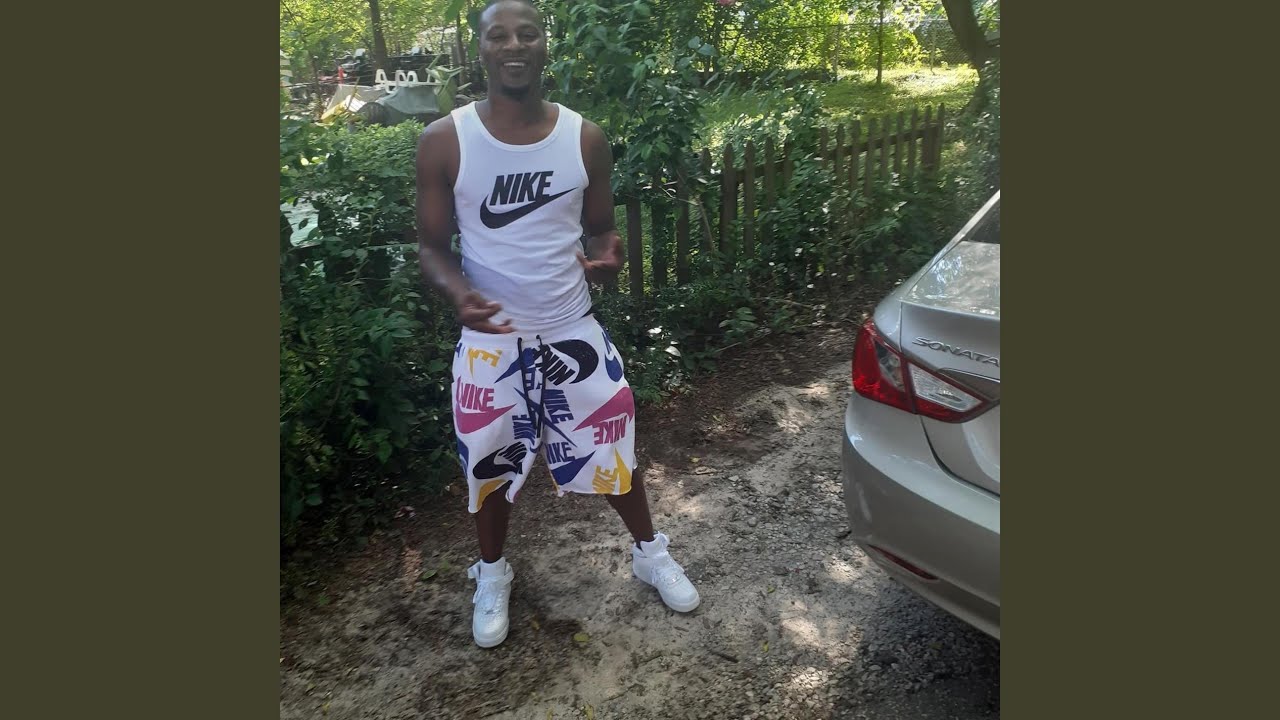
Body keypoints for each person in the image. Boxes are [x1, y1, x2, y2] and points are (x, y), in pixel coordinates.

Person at [415, 0, 700, 649]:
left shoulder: (584, 138)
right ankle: (492, 573)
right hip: (490, 342)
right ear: (480, 47)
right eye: (499, 35)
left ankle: (650, 553)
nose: (514, 45)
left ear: (546, 44)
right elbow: (430, 246)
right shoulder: (446, 140)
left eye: (527, 33)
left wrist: (608, 256)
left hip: (573, 329)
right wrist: (458, 293)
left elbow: (600, 230)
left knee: (615, 447)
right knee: (490, 465)